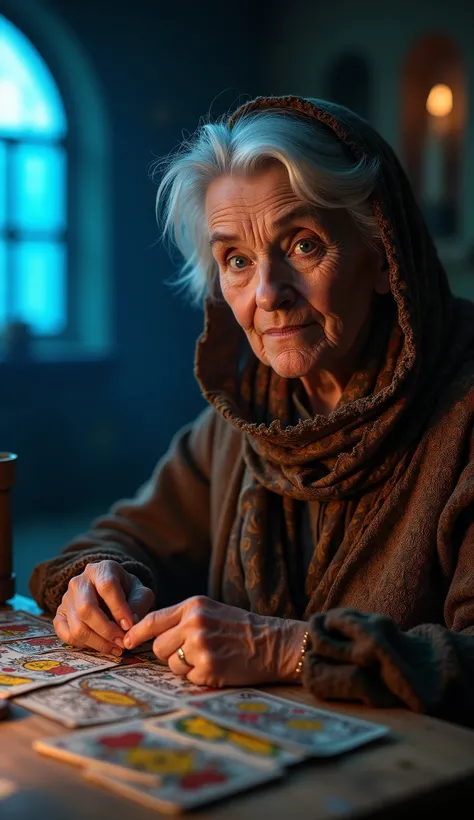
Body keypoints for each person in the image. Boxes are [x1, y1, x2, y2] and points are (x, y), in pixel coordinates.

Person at [30, 95, 474, 726]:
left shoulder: (463, 409)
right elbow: (116, 539)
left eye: (302, 244)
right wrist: (97, 582)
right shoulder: (248, 418)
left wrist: (290, 648)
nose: (267, 294)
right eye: (236, 260)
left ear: (384, 257)